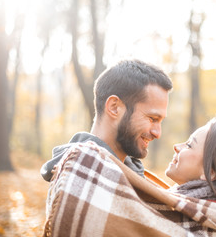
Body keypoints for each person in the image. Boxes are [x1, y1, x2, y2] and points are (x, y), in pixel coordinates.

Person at [40, 59, 173, 181]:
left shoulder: (129, 175)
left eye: (160, 121)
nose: (157, 133)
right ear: (114, 107)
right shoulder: (81, 177)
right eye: (152, 119)